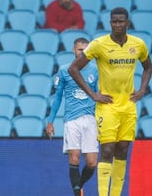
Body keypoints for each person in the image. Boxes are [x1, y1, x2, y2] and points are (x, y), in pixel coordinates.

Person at [68, 7, 152, 196]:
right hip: (107, 107)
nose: (117, 25)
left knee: (122, 150)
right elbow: (74, 69)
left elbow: (148, 67)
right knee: (107, 150)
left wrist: (141, 90)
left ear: (127, 23)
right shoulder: (99, 44)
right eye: (114, 21)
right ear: (110, 23)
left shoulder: (138, 44)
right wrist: (93, 95)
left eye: (121, 21)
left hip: (128, 106)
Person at [46, 37, 98, 196]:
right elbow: (58, 97)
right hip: (71, 120)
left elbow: (99, 96)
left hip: (90, 120)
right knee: (74, 159)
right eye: (79, 49)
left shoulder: (95, 70)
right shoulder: (64, 70)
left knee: (91, 162)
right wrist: (50, 121)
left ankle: (79, 185)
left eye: (85, 49)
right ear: (73, 50)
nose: (82, 52)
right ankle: (77, 193)